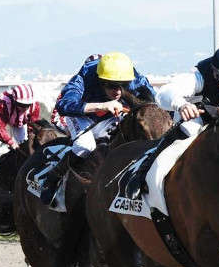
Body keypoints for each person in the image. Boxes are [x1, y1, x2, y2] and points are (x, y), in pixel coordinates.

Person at [124, 43, 219, 198]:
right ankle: (141, 174)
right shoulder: (199, 78)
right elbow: (163, 94)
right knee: (189, 129)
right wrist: (182, 105)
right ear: (216, 75)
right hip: (199, 121)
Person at [40, 52, 156, 204]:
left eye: (123, 85)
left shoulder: (133, 76)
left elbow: (154, 102)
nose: (118, 91)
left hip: (110, 113)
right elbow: (64, 105)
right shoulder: (85, 77)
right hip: (80, 114)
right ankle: (53, 177)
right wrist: (102, 106)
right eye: (112, 86)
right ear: (101, 80)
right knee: (85, 146)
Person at [0, 84, 40, 180]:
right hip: (0, 117)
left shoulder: (35, 106)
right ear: (15, 101)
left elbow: (32, 127)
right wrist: (10, 142)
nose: (25, 108)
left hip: (19, 121)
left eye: (27, 105)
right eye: (22, 105)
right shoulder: (2, 105)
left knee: (23, 144)